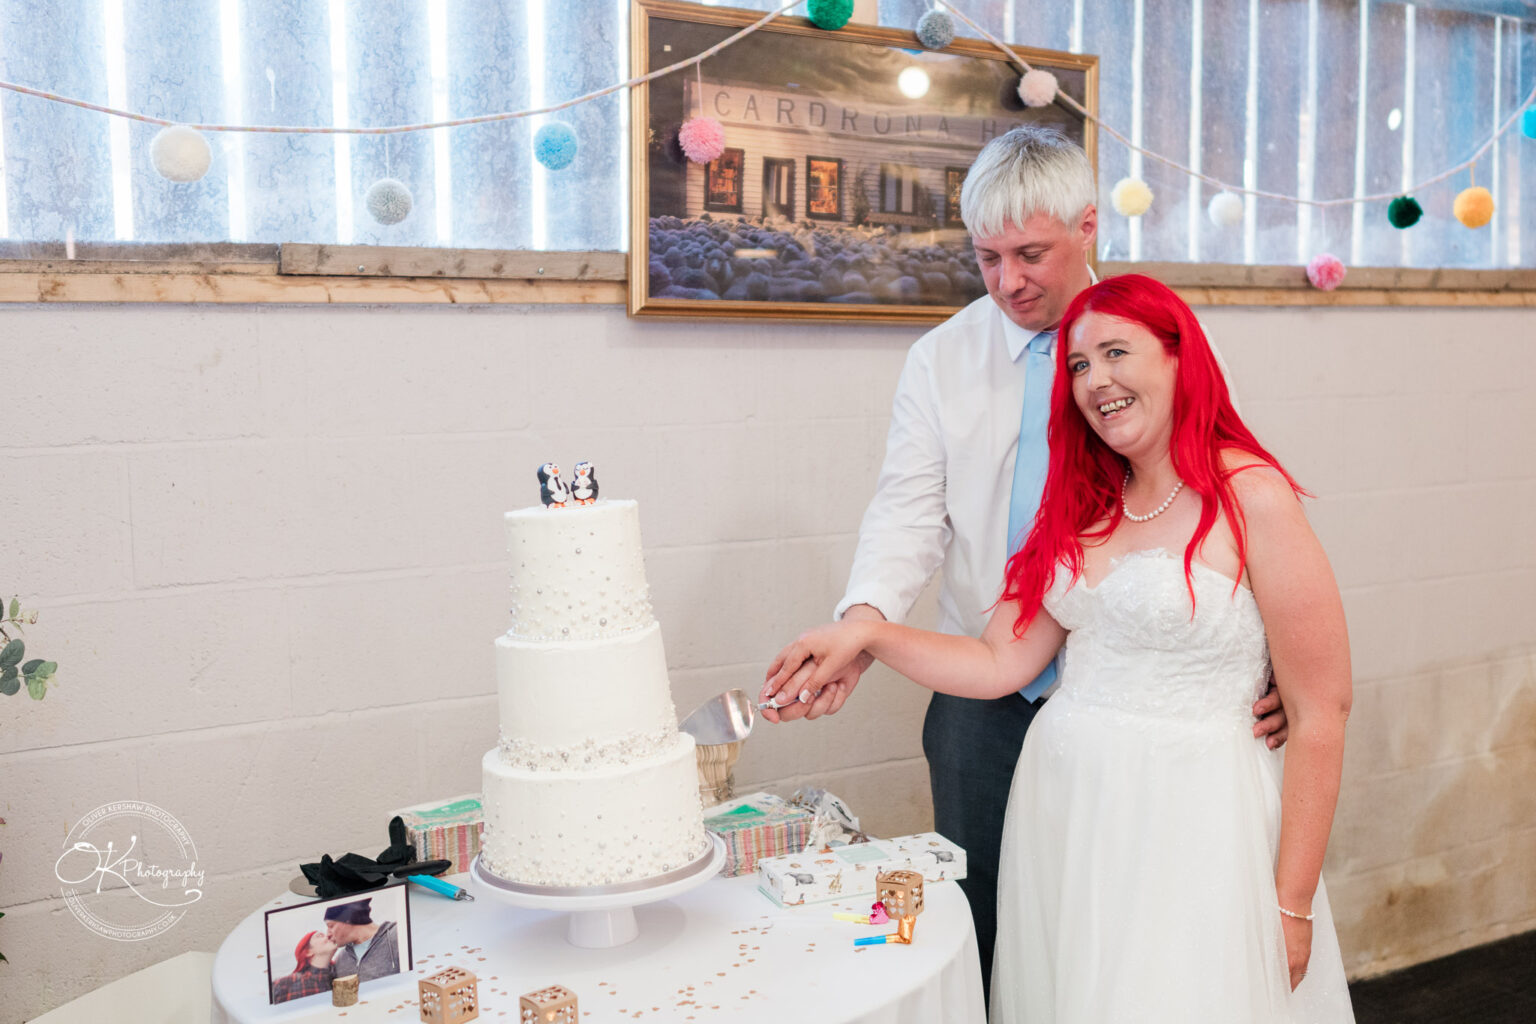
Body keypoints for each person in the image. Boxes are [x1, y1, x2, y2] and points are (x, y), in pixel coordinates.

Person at [762, 125, 1288, 1002]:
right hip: (987, 681)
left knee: (1132, 932)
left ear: (1088, 226)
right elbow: (906, 516)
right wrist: (864, 626)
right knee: (992, 928)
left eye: (1031, 253)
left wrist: (1261, 655)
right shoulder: (941, 361)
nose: (1010, 281)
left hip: (1134, 685)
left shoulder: (1157, 344)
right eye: (988, 257)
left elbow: (1223, 501)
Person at [325, 897, 401, 983]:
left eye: (331, 926)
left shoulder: (397, 934)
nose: (328, 934)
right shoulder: (340, 958)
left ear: (347, 918)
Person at [270, 929, 337, 1004]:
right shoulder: (283, 985)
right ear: (308, 952)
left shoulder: (340, 976)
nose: (328, 936)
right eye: (320, 936)